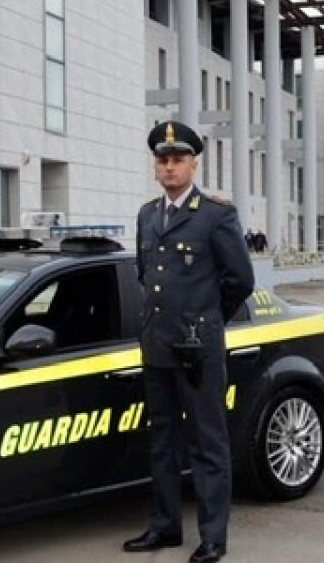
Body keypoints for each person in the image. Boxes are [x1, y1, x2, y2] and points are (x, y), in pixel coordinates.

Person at [125, 121, 256, 563]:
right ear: (155, 166)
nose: (170, 167)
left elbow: (240, 279)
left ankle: (213, 537)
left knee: (207, 443)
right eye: (162, 160)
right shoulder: (147, 215)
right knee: (162, 440)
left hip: (198, 349)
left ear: (193, 164)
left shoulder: (216, 215)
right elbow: (146, 275)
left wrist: (206, 319)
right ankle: (165, 527)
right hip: (157, 346)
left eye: (178, 159)